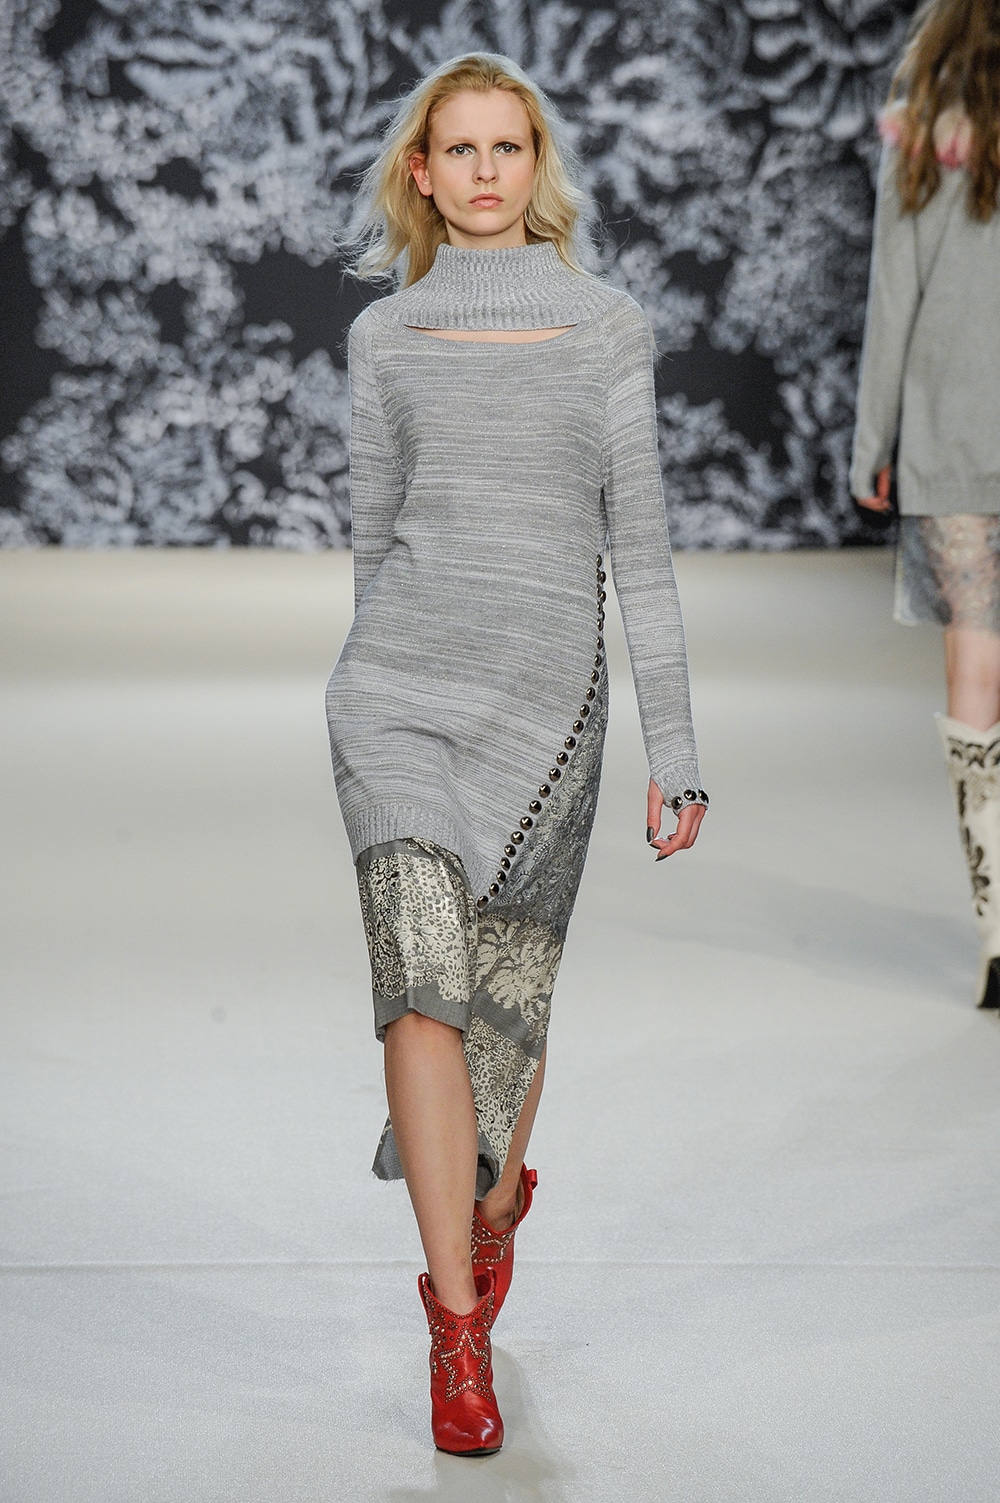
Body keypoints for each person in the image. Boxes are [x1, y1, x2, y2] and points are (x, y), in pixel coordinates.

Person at [325, 52, 707, 1455]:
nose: (485, 170)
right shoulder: (384, 339)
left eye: (508, 147)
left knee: (503, 1008)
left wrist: (677, 744)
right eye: (460, 149)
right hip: (397, 701)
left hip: (546, 710)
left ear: (536, 167)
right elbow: (375, 544)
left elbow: (641, 555)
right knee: (418, 994)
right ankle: (455, 1326)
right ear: (420, 173)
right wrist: (371, 689)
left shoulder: (607, 329)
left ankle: (492, 1206)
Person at [852, 0, 1000, 1009]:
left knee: (974, 669)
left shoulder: (921, 130)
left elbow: (893, 291)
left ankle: (997, 928)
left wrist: (875, 442)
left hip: (953, 432)